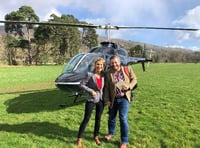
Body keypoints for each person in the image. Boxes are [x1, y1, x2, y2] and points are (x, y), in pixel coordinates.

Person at [103, 55, 137, 148]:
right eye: (112, 63)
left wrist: (129, 86)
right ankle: (110, 133)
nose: (114, 64)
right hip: (113, 99)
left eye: (116, 62)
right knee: (111, 117)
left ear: (119, 62)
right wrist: (106, 100)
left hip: (124, 98)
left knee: (123, 118)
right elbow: (106, 88)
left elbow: (134, 79)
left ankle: (124, 141)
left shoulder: (127, 68)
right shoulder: (108, 73)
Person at [77, 57, 106, 148]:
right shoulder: (89, 74)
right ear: (95, 65)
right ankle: (79, 139)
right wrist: (91, 91)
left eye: (101, 64)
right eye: (98, 64)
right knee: (86, 119)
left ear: (103, 66)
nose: (99, 66)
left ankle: (96, 136)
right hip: (91, 99)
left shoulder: (104, 75)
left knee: (98, 119)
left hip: (101, 100)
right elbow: (81, 84)